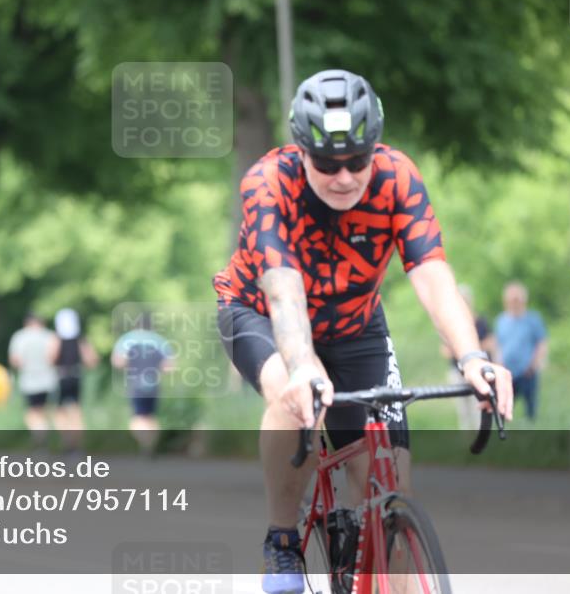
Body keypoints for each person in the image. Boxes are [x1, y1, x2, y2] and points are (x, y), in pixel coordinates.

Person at [212, 69, 514, 594]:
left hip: (355, 324)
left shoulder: (397, 178)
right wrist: (304, 366)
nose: (345, 177)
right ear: (301, 152)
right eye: (327, 164)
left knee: (391, 482)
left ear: (375, 148)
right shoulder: (269, 183)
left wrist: (472, 357)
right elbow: (283, 291)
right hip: (260, 313)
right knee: (292, 395)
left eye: (357, 160)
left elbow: (432, 275)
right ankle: (282, 542)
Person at [111, 312, 176, 456]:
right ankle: (150, 445)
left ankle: (143, 444)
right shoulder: (159, 341)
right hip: (154, 384)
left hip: (135, 383)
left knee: (138, 417)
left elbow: (117, 362)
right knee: (151, 416)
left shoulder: (128, 339)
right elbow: (169, 366)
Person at [439, 284, 500, 429]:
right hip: (458, 372)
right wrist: (473, 349)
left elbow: (491, 343)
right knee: (463, 411)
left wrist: (465, 351)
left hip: (480, 372)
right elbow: (445, 351)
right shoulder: (449, 324)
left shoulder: (481, 321)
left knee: (478, 407)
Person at [495, 281, 548, 421]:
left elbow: (541, 343)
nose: (513, 302)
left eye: (516, 299)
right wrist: (498, 364)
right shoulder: (501, 320)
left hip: (528, 372)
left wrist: (534, 365)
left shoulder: (533, 319)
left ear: (524, 300)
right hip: (507, 372)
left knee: (530, 408)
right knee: (503, 406)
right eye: (510, 299)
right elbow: (499, 345)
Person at [52, 308, 99, 453]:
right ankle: (76, 446)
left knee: (61, 413)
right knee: (76, 412)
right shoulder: (80, 340)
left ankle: (68, 443)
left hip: (62, 377)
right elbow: (92, 361)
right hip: (76, 375)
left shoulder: (57, 339)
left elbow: (51, 358)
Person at [8, 313, 59, 445]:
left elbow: (15, 360)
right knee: (44, 410)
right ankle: (45, 437)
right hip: (48, 379)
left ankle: (40, 439)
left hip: (29, 380)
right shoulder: (49, 335)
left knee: (32, 412)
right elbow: (54, 357)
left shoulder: (20, 336)